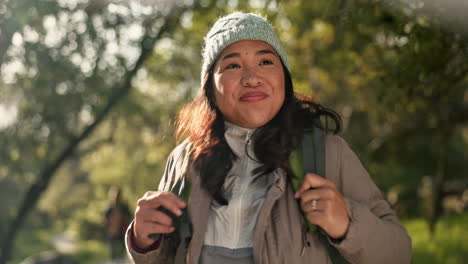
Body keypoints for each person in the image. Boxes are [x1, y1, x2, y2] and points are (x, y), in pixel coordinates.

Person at [125, 12, 412, 264]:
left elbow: (398, 253)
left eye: (265, 61)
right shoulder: (185, 159)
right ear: (210, 88)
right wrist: (143, 239)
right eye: (233, 65)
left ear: (284, 79)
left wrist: (347, 224)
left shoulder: (326, 152)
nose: (252, 77)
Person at [105, 186, 132, 262]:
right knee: (113, 251)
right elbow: (106, 219)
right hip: (112, 232)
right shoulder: (109, 207)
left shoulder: (124, 207)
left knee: (122, 251)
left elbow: (129, 217)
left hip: (122, 231)